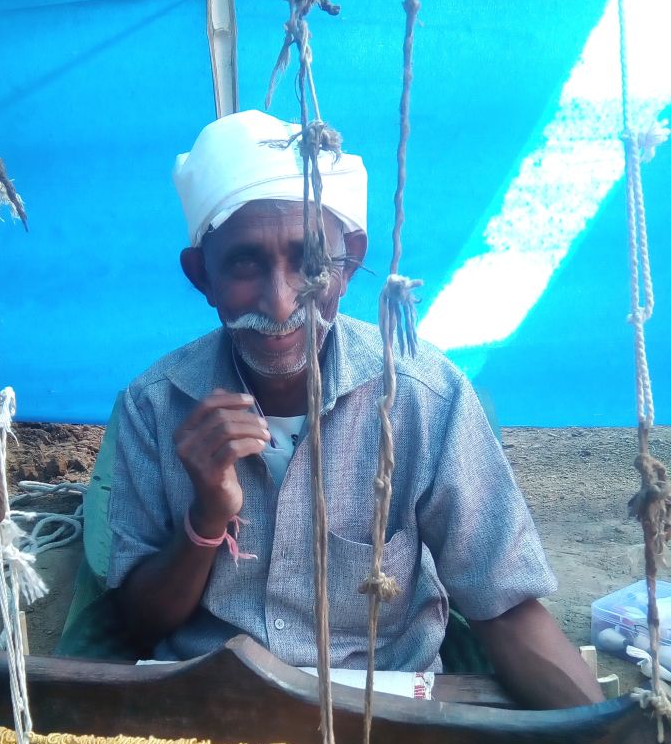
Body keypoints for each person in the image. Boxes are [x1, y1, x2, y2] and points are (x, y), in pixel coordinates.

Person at [107, 110, 602, 710]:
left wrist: (606, 741)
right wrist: (207, 518)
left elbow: (504, 604)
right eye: (243, 263)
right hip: (212, 715)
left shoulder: (424, 398)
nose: (281, 300)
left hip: (385, 714)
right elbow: (138, 624)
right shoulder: (153, 406)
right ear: (201, 276)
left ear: (350, 264)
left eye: (311, 261)